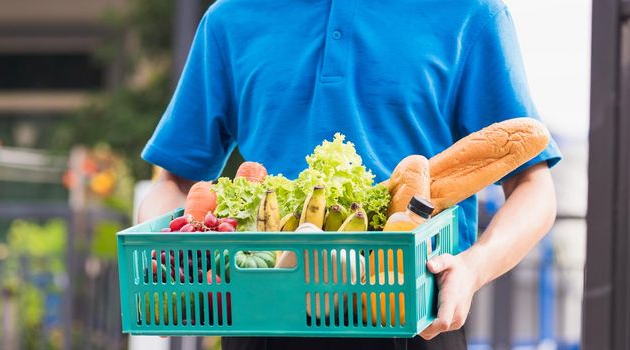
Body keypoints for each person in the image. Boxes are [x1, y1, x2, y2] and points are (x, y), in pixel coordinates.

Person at [137, 0, 561, 349]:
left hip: (412, 319)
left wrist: (473, 268)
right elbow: (173, 180)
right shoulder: (230, 19)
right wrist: (161, 254)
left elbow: (533, 187)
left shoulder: (469, 14)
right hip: (265, 317)